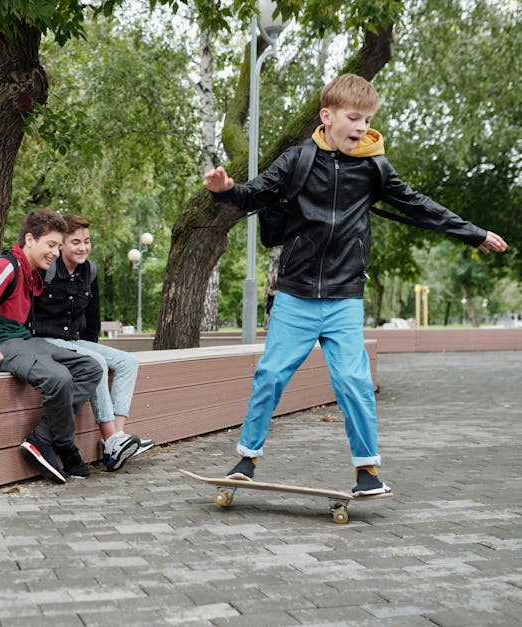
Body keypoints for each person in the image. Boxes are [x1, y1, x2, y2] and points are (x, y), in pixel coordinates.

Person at [202, 73, 508, 496]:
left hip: (345, 296)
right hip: (296, 293)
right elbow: (256, 194)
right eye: (353, 118)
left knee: (354, 383)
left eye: (367, 120)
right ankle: (246, 459)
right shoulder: (297, 159)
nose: (362, 127)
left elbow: (419, 207)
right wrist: (227, 190)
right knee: (271, 375)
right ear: (327, 116)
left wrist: (471, 233)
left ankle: (367, 471)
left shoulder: (374, 168)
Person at [0, 209, 103, 484]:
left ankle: (42, 437)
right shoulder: (6, 267)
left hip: (23, 341)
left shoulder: (29, 272)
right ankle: (65, 447)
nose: (56, 252)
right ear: (30, 240)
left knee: (90, 367)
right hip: (1, 346)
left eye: (58, 246)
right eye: (51, 245)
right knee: (59, 377)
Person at [30, 214, 154, 471]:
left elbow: (93, 319)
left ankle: (115, 441)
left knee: (128, 361)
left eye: (86, 241)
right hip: (44, 340)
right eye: (75, 242)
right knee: (94, 361)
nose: (83, 247)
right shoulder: (47, 270)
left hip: (73, 340)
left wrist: (88, 346)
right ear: (61, 245)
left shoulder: (90, 270)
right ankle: (111, 440)